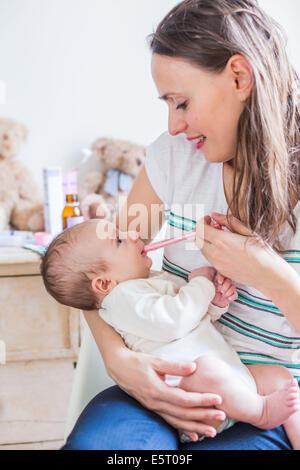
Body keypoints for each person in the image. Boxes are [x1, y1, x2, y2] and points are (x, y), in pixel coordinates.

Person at [62, 0, 300, 450]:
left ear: (239, 78)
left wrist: (267, 271)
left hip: (265, 401)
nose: (172, 126)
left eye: (182, 102)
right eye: (168, 105)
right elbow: (92, 270)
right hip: (161, 388)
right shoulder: (173, 160)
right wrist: (118, 361)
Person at [41, 218, 300, 446]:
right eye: (119, 240)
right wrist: (201, 284)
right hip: (194, 394)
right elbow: (174, 321)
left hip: (231, 379)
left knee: (280, 377)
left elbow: (192, 323)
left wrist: (214, 303)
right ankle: (261, 412)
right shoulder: (122, 299)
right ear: (105, 283)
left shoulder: (145, 282)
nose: (133, 234)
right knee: (208, 368)